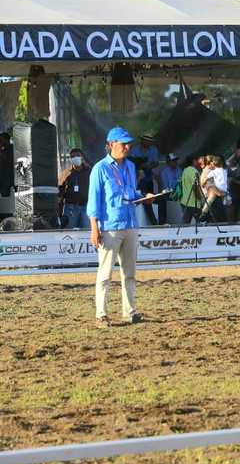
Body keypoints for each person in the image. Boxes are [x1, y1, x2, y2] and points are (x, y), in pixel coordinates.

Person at [87, 126, 156, 328]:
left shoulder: (131, 167)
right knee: (105, 273)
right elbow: (94, 202)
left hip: (131, 223)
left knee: (130, 272)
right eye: (123, 143)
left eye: (128, 144)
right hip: (110, 226)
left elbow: (131, 194)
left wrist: (146, 197)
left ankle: (130, 312)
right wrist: (94, 228)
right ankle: (101, 314)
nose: (127, 147)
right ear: (110, 145)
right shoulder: (99, 169)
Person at [57, 148, 91, 229]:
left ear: (82, 157)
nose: (75, 158)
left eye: (77, 156)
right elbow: (59, 192)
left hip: (86, 207)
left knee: (86, 233)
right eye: (72, 156)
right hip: (70, 208)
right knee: (69, 234)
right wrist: (58, 211)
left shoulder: (90, 171)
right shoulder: (66, 173)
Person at [200, 155, 229, 222]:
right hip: (224, 190)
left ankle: (204, 212)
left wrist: (203, 183)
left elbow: (205, 180)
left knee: (210, 199)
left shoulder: (213, 171)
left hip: (217, 190)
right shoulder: (225, 170)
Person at [178, 155, 204, 224]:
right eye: (197, 160)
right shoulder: (194, 171)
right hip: (194, 203)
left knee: (185, 224)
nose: (198, 162)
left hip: (184, 202)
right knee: (201, 222)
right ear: (194, 161)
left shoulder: (185, 170)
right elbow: (195, 187)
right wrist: (200, 199)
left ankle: (183, 235)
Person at [157, 153, 182, 225]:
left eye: (176, 160)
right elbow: (166, 187)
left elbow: (181, 183)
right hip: (169, 193)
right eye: (173, 161)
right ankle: (163, 222)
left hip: (178, 192)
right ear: (168, 162)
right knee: (162, 198)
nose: (175, 162)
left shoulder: (179, 170)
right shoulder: (164, 172)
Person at [0, 132, 13, 198]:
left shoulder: (11, 148)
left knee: (6, 198)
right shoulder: (3, 149)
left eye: (1, 140)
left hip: (7, 179)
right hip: (3, 179)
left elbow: (9, 161)